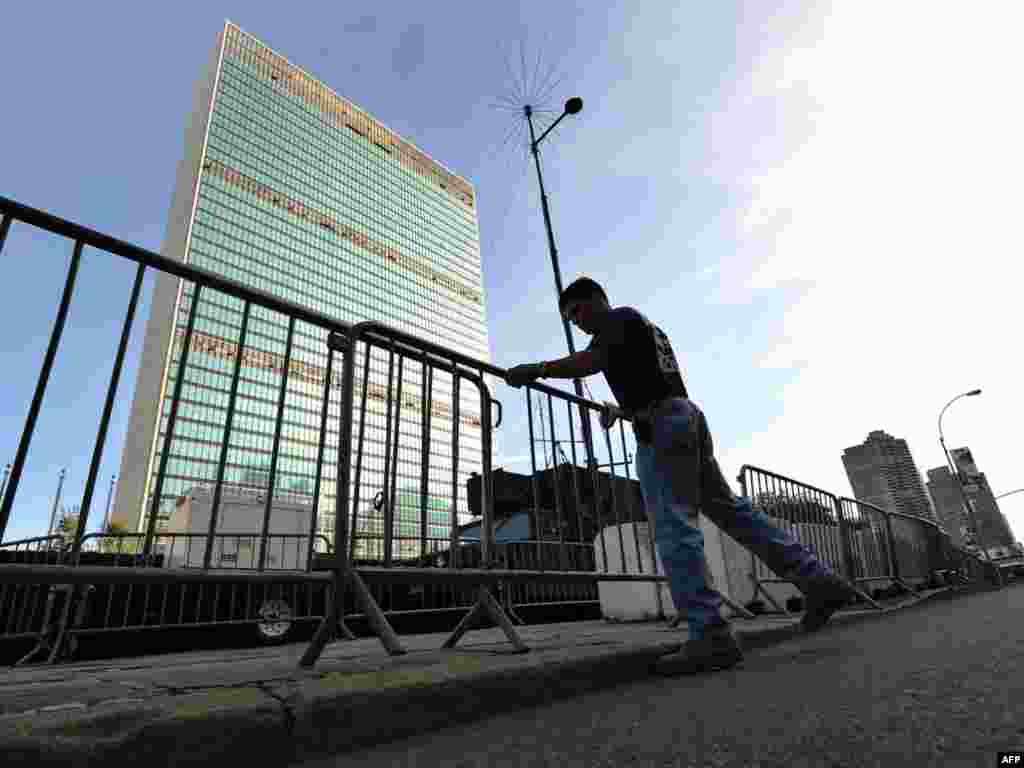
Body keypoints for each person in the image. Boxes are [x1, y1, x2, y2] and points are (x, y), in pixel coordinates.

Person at [505, 276, 855, 674]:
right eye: (570, 318)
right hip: (680, 416)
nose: (577, 322)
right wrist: (623, 410)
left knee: (673, 525)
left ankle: (710, 634)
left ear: (598, 299)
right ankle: (819, 581)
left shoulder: (619, 320)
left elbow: (589, 362)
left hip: (663, 426)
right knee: (732, 512)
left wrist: (538, 369)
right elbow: (646, 379)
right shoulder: (642, 328)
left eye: (578, 311)